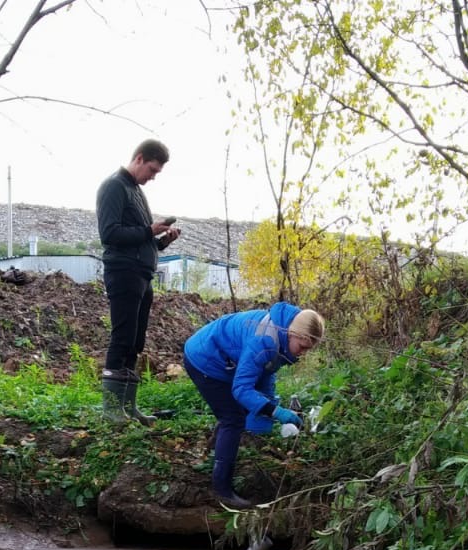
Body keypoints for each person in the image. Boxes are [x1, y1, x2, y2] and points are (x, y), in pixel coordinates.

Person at [183, 302, 325, 509]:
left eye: (308, 349)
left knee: (241, 411)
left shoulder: (282, 334)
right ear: (293, 333)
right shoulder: (264, 340)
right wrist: (275, 411)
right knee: (233, 419)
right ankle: (222, 489)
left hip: (224, 359)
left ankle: (216, 449)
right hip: (204, 359)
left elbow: (265, 373)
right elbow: (241, 388)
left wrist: (266, 410)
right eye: (302, 347)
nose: (303, 353)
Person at [96, 138, 181, 424]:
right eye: (153, 170)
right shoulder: (114, 186)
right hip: (123, 273)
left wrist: (161, 240)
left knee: (135, 340)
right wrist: (148, 230)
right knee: (122, 337)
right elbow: (110, 235)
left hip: (142, 275)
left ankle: (128, 407)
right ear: (140, 158)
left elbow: (142, 240)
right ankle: (110, 410)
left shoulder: (136, 191)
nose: (153, 177)